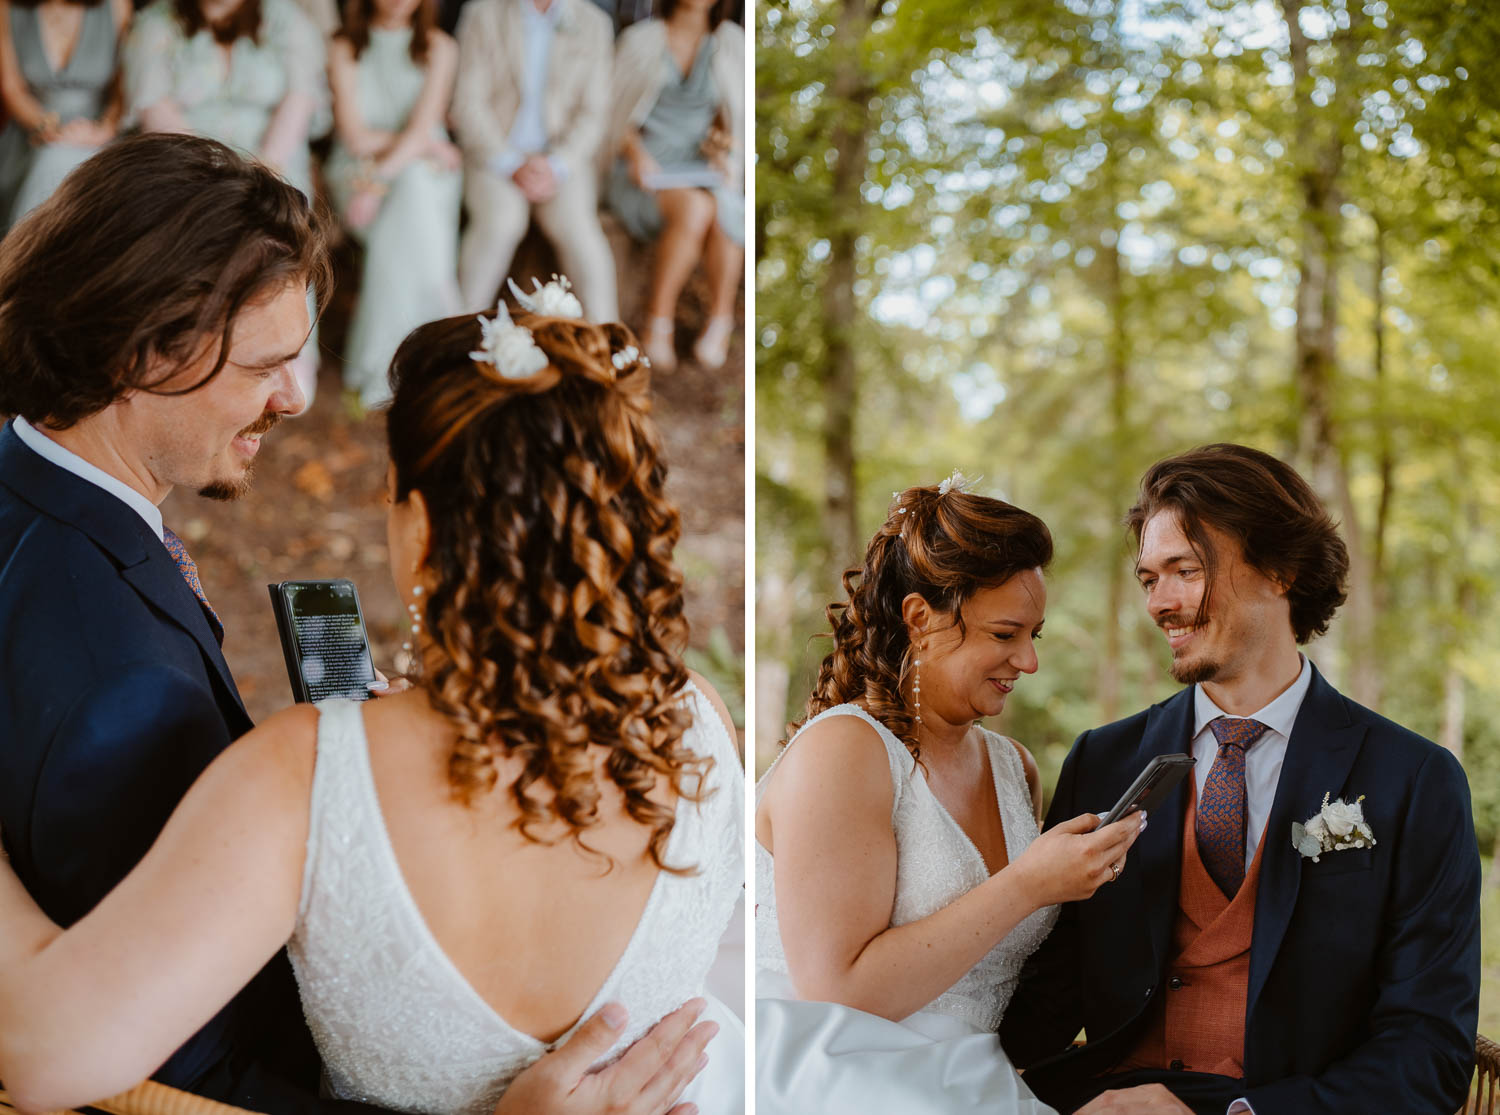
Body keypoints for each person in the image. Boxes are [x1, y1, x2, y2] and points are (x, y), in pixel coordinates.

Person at [0, 134, 721, 1115]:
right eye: (268, 364)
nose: (298, 397)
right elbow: (187, 1076)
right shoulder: (706, 729)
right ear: (142, 353)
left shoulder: (33, 500)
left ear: (421, 529)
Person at [1001, 443, 1481, 1115]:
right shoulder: (1102, 762)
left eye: (1186, 570)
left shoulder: (1414, 779)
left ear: (1281, 570)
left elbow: (1431, 1047)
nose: (1161, 602)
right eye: (1149, 579)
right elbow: (1041, 1001)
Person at [754, 476, 1145, 1115]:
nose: (1029, 661)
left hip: (978, 1082)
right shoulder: (846, 750)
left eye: (1035, 635)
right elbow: (836, 990)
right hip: (841, 1075)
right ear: (920, 619)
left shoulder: (1014, 768)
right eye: (1005, 634)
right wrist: (1028, 885)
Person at [121, 0, 330, 403]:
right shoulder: (156, 24)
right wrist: (214, 174)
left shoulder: (286, 21)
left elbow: (299, 99)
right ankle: (192, 352)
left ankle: (286, 350)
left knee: (280, 224)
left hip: (275, 161)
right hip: (188, 163)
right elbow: (154, 107)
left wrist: (263, 171)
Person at [326, 0, 463, 408]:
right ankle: (442, 340)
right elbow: (355, 137)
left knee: (415, 189)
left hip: (413, 175)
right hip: (357, 171)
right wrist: (425, 145)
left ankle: (379, 364)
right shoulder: (343, 46)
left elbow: (422, 126)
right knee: (415, 194)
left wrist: (381, 179)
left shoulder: (441, 47)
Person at [450, 0, 620, 321]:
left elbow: (594, 113)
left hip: (561, 160)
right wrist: (510, 163)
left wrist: (556, 165)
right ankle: (457, 329)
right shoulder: (483, 14)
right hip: (494, 155)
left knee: (580, 232)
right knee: (500, 224)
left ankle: (610, 338)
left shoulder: (594, 23)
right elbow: (467, 103)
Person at [604, 0, 743, 372]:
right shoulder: (641, 40)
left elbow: (732, 119)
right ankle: (657, 323)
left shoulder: (731, 42)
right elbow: (611, 114)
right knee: (697, 208)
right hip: (640, 169)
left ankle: (720, 320)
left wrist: (721, 150)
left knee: (728, 210)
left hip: (698, 167)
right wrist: (635, 152)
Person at [0, 0, 130, 229]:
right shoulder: (7, 7)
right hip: (31, 131)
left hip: (99, 132)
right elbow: (11, 88)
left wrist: (104, 130)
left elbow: (123, 87)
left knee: (57, 160)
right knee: (51, 156)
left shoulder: (117, 4)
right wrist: (48, 127)